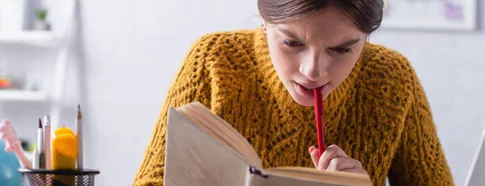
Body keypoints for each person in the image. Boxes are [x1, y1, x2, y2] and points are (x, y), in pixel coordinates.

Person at [133, 0, 454, 185]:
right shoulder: (213, 60)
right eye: (292, 42)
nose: (313, 70)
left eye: (342, 49)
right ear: (264, 20)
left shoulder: (392, 78)